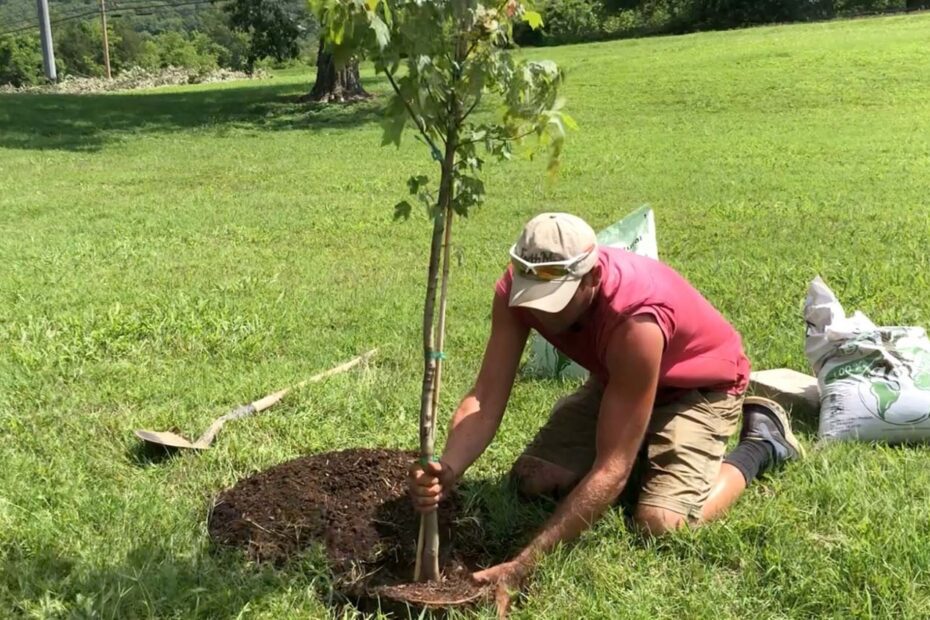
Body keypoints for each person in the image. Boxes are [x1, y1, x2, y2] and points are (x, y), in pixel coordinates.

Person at [408, 212, 802, 598]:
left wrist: (523, 565)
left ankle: (764, 444)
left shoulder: (636, 318)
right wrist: (449, 467)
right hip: (620, 379)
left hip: (697, 387)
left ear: (592, 278)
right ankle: (645, 445)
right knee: (531, 480)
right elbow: (485, 397)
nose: (541, 310)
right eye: (534, 297)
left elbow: (611, 468)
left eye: (555, 299)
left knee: (661, 524)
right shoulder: (519, 290)